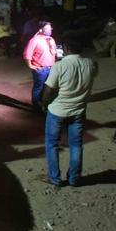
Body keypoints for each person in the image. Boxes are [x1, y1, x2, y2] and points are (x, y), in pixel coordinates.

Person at [41, 38, 97, 187]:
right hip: (78, 110)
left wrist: (44, 104)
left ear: (65, 48)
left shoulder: (59, 66)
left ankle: (54, 178)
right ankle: (74, 178)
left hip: (57, 111)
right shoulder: (91, 64)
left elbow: (48, 89)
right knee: (76, 145)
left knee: (52, 144)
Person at [23, 21, 57, 110]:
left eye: (50, 28)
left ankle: (43, 103)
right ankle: (36, 105)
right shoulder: (35, 40)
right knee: (39, 87)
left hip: (51, 68)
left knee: (48, 87)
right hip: (40, 69)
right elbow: (27, 53)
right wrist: (30, 65)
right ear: (40, 30)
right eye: (47, 29)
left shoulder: (51, 39)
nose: (50, 30)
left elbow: (54, 52)